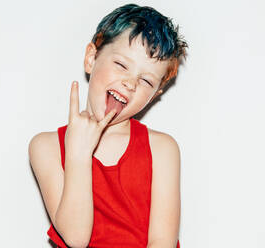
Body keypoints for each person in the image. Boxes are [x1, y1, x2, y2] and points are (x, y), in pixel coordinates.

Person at [28, 3, 188, 248]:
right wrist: (78, 154)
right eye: (122, 65)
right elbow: (76, 238)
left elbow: (162, 242)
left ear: (154, 95)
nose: (130, 84)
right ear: (91, 58)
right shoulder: (46, 146)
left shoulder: (162, 149)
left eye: (145, 80)